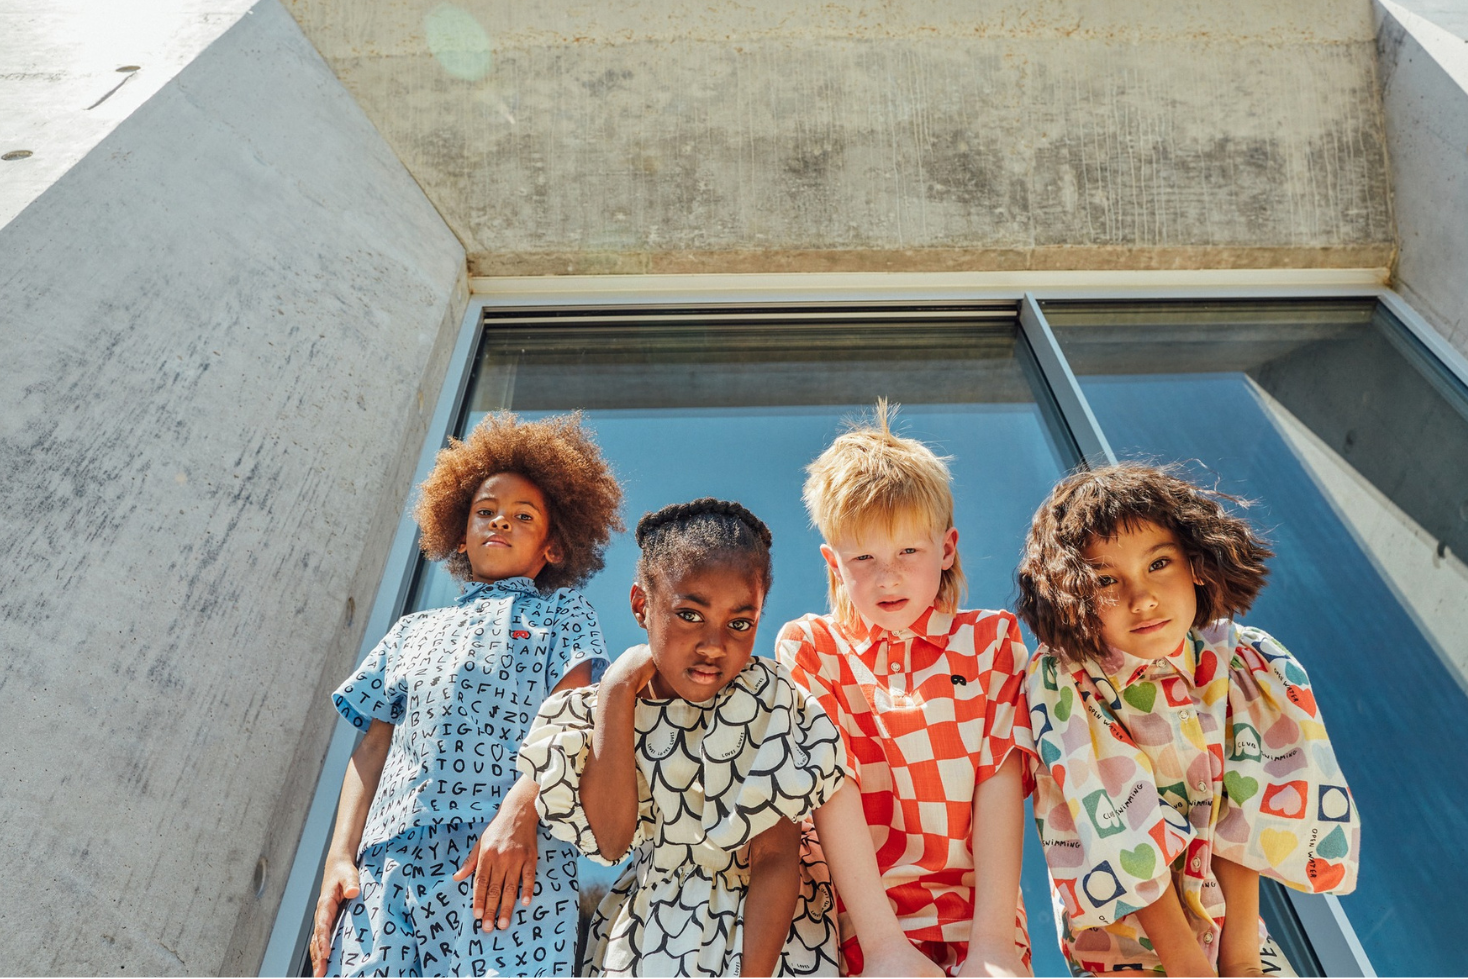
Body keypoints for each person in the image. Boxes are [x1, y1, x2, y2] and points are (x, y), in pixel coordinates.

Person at [309, 411, 624, 977]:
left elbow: (573, 720)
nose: (500, 521)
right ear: (459, 532)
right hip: (389, 867)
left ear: (552, 546)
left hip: (508, 855)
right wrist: (339, 856)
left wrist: (520, 811)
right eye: (485, 512)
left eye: (522, 516)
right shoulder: (409, 631)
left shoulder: (564, 613)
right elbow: (371, 749)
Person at [1016, 463, 1362, 976]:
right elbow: (1118, 824)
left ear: (1197, 560)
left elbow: (1251, 808)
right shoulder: (1066, 682)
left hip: (1232, 930)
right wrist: (1186, 964)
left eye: (1159, 564)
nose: (1143, 598)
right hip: (1123, 947)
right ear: (1075, 597)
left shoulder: (1242, 661)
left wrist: (1242, 959)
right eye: (1107, 580)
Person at [518, 499, 848, 977]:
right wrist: (615, 690)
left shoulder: (768, 700)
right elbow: (611, 842)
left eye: (740, 623)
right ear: (641, 605)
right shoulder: (602, 710)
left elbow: (777, 859)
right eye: (691, 614)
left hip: (760, 940)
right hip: (648, 939)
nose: (715, 644)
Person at [777, 403, 1036, 978]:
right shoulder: (813, 648)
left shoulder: (990, 641)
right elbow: (828, 789)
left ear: (945, 549)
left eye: (908, 552)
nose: (887, 576)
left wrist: (991, 945)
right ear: (833, 563)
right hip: (863, 929)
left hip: (982, 923)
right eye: (863, 557)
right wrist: (884, 948)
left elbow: (1000, 778)